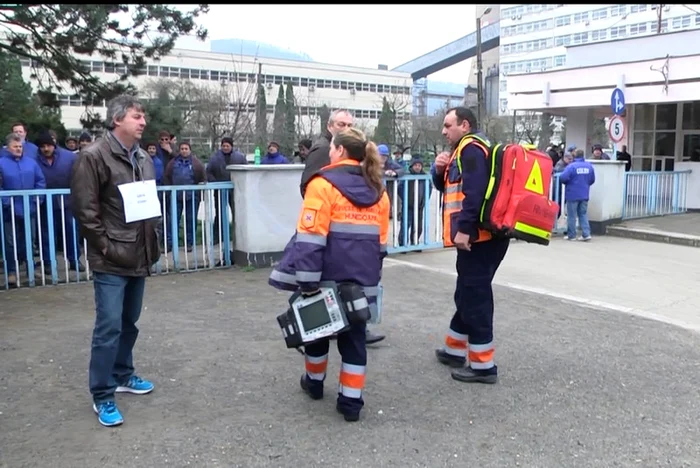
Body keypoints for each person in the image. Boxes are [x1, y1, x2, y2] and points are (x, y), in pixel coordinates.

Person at [270, 127, 390, 422]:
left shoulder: (321, 185)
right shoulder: (378, 189)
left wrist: (307, 282)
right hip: (362, 279)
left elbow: (310, 239)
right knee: (355, 339)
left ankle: (313, 384)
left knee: (316, 332)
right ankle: (351, 403)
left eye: (332, 148)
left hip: (326, 275)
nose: (330, 152)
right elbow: (382, 245)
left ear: (339, 152)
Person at [71, 95, 162, 427]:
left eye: (143, 117)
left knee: (129, 322)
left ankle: (124, 375)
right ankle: (102, 394)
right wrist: (106, 248)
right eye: (137, 117)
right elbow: (86, 212)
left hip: (139, 253)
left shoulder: (142, 157)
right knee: (108, 327)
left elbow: (149, 202)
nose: (143, 122)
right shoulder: (92, 157)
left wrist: (155, 238)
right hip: (112, 258)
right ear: (117, 120)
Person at [431, 107, 510, 384]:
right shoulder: (472, 148)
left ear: (464, 125)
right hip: (486, 236)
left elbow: (473, 192)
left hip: (478, 238)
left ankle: (483, 366)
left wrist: (464, 230)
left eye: (447, 125)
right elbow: (451, 186)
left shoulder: (471, 148)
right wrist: (439, 171)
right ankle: (454, 349)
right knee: (466, 291)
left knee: (475, 296)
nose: (444, 130)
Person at [297, 109, 386, 345]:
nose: (345, 127)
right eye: (340, 123)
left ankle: (347, 329)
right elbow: (308, 187)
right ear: (330, 126)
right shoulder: (322, 151)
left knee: (344, 296)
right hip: (328, 231)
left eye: (349, 123)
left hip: (341, 238)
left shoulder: (357, 161)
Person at [560, 149, 595, 241]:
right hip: (584, 194)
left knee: (572, 215)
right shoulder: (589, 166)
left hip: (572, 194)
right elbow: (592, 180)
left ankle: (571, 235)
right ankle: (586, 234)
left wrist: (568, 183)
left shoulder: (571, 167)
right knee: (583, 214)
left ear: (574, 156)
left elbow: (563, 178)